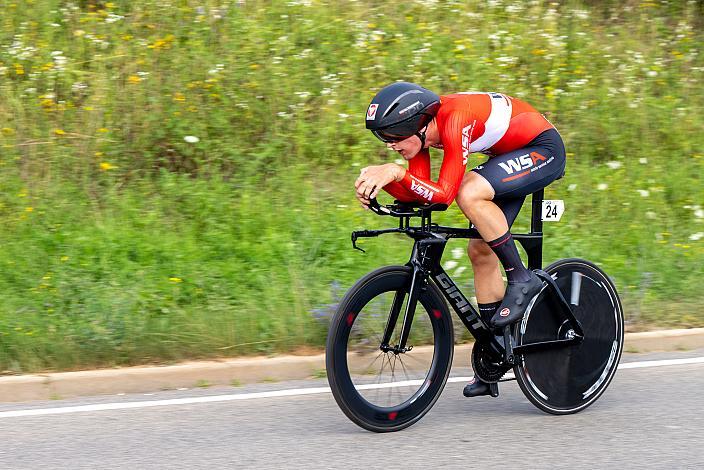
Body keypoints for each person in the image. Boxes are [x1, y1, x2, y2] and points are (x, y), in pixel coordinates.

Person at [356, 82, 566, 398]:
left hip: (542, 149)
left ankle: (522, 278)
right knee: (481, 249)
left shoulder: (455, 120)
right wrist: (383, 188)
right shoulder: (424, 136)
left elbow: (446, 194)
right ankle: (496, 354)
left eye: (395, 137)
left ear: (419, 125)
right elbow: (423, 193)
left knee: (469, 191)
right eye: (384, 138)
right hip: (508, 156)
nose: (390, 145)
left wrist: (394, 173)